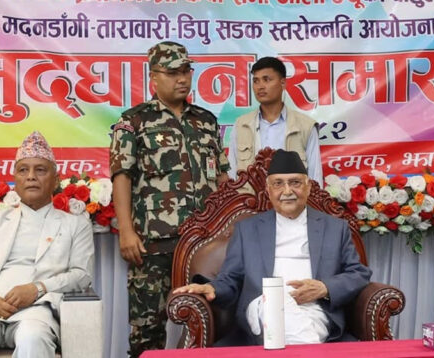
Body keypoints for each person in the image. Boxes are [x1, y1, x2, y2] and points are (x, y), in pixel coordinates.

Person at [174, 149, 370, 346]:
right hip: (263, 306)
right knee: (283, 315)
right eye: (278, 184)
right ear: (268, 190)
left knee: (297, 327)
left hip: (314, 308)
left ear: (308, 187)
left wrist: (325, 288)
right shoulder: (247, 230)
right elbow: (231, 279)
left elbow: (358, 273)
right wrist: (210, 287)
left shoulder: (335, 228)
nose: (287, 191)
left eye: (295, 183)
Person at [109, 41, 229, 357]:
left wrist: (227, 231)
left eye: (186, 71)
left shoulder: (206, 121)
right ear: (154, 76)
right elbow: (121, 175)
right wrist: (126, 230)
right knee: (147, 329)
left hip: (204, 243)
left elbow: (222, 178)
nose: (182, 79)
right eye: (173, 72)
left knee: (213, 323)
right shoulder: (134, 121)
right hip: (153, 243)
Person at [0, 131, 95, 358]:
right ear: (15, 179)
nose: (31, 176)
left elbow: (82, 275)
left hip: (38, 311)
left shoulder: (76, 225)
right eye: (23, 170)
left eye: (40, 170)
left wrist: (37, 288)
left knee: (33, 338)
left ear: (55, 179)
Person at [227, 57, 323, 186]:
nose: (260, 86)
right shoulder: (241, 125)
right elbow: (232, 174)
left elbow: (315, 177)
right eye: (256, 81)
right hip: (250, 203)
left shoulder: (305, 126)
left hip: (291, 201)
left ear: (283, 83)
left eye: (266, 80)